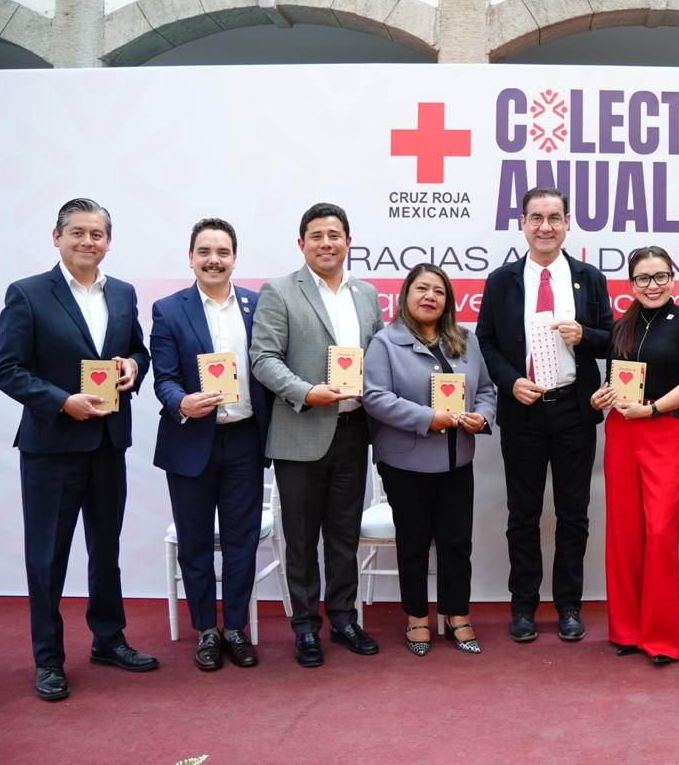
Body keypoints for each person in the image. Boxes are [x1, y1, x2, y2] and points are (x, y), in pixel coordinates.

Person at [0, 198, 157, 701]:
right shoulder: (28, 294)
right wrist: (63, 402)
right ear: (57, 236)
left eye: (98, 234)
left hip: (108, 442)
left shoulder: (124, 293)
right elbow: (7, 369)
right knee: (47, 558)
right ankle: (49, 660)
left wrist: (132, 365)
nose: (88, 242)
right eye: (78, 233)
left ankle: (109, 639)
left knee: (106, 550)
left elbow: (139, 350)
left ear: (109, 241)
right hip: (52, 448)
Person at [476, 186, 613, 643]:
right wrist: (510, 381)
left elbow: (610, 338)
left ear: (568, 222)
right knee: (523, 515)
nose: (546, 227)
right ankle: (523, 607)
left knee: (574, 514)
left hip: (574, 409)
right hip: (524, 412)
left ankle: (569, 606)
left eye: (554, 218)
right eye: (536, 218)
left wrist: (584, 335)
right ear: (522, 223)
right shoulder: (502, 281)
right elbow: (488, 344)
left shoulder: (589, 278)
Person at [251, 203, 384, 666]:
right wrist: (308, 392)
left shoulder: (367, 295)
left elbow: (380, 358)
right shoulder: (280, 291)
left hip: (354, 431)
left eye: (335, 235)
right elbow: (264, 359)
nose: (326, 243)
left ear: (349, 240)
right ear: (301, 242)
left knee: (344, 534)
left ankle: (344, 618)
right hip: (301, 429)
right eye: (316, 236)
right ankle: (306, 626)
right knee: (302, 537)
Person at [150, 218, 271, 671]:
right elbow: (163, 378)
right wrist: (183, 402)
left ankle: (236, 627)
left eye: (222, 252)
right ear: (191, 257)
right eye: (204, 251)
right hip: (189, 441)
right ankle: (206, 629)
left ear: (234, 258)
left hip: (244, 440)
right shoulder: (168, 309)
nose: (213, 260)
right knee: (196, 544)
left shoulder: (257, 306)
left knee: (241, 542)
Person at [363, 264, 496, 656]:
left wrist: (483, 415)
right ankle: (417, 618)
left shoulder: (466, 341)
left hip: (457, 460)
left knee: (457, 543)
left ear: (448, 301)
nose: (430, 297)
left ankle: (457, 616)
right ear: (406, 295)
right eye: (422, 289)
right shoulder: (385, 343)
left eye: (438, 291)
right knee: (414, 543)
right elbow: (376, 397)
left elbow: (487, 390)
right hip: (406, 462)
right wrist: (427, 418)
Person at [591, 247, 679, 664]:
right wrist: (599, 397)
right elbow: (613, 380)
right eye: (643, 278)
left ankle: (660, 638)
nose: (652, 285)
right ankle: (626, 630)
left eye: (660, 277)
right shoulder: (621, 324)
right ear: (631, 284)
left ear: (673, 279)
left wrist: (654, 408)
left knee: (659, 535)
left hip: (666, 431)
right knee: (624, 533)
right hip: (622, 432)